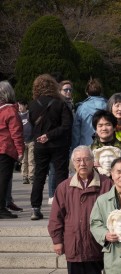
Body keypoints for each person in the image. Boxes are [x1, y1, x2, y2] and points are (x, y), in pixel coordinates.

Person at [48, 145, 112, 274]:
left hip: (97, 247)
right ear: (73, 163)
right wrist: (57, 240)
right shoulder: (64, 187)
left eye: (86, 159)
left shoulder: (106, 184)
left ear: (93, 161)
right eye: (78, 160)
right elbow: (56, 217)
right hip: (74, 246)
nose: (82, 163)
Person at [29, 74, 73, 220]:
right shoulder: (60, 104)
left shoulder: (33, 105)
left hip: (40, 145)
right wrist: (51, 135)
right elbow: (67, 126)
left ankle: (35, 208)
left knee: (39, 176)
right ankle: (61, 207)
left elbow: (31, 125)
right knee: (61, 175)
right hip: (59, 144)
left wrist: (42, 136)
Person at [0, 81, 24, 218]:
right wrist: (20, 151)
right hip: (5, 149)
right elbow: (16, 133)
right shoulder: (10, 112)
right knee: (4, 180)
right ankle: (1, 208)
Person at [72, 78, 107, 149]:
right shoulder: (109, 106)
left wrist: (75, 148)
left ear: (87, 92)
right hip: (105, 146)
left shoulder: (82, 108)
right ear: (101, 92)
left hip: (85, 146)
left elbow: (76, 131)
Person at [19, 101, 34, 186]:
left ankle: (31, 176)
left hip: (31, 140)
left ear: (25, 105)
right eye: (18, 105)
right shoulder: (18, 116)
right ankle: (24, 176)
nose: (19, 107)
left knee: (31, 159)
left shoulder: (29, 115)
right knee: (24, 160)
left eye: (21, 105)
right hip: (22, 141)